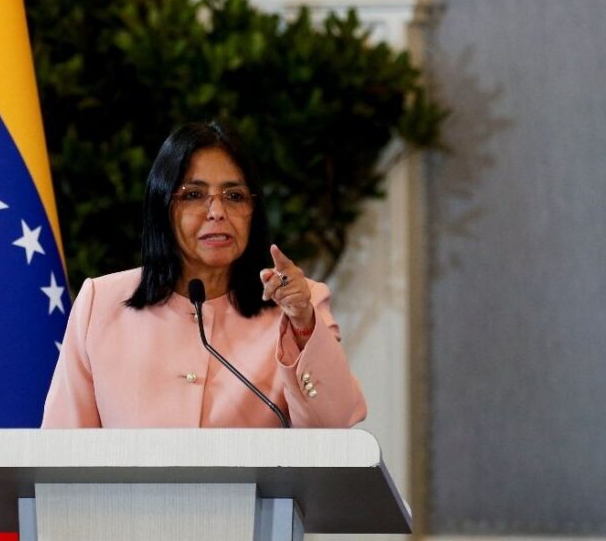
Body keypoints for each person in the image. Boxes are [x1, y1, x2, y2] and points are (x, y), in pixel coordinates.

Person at [41, 122, 366, 428]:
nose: (217, 212)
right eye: (194, 195)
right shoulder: (101, 302)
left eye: (234, 196)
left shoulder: (299, 304)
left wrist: (302, 324)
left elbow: (334, 425)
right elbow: (62, 449)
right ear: (163, 206)